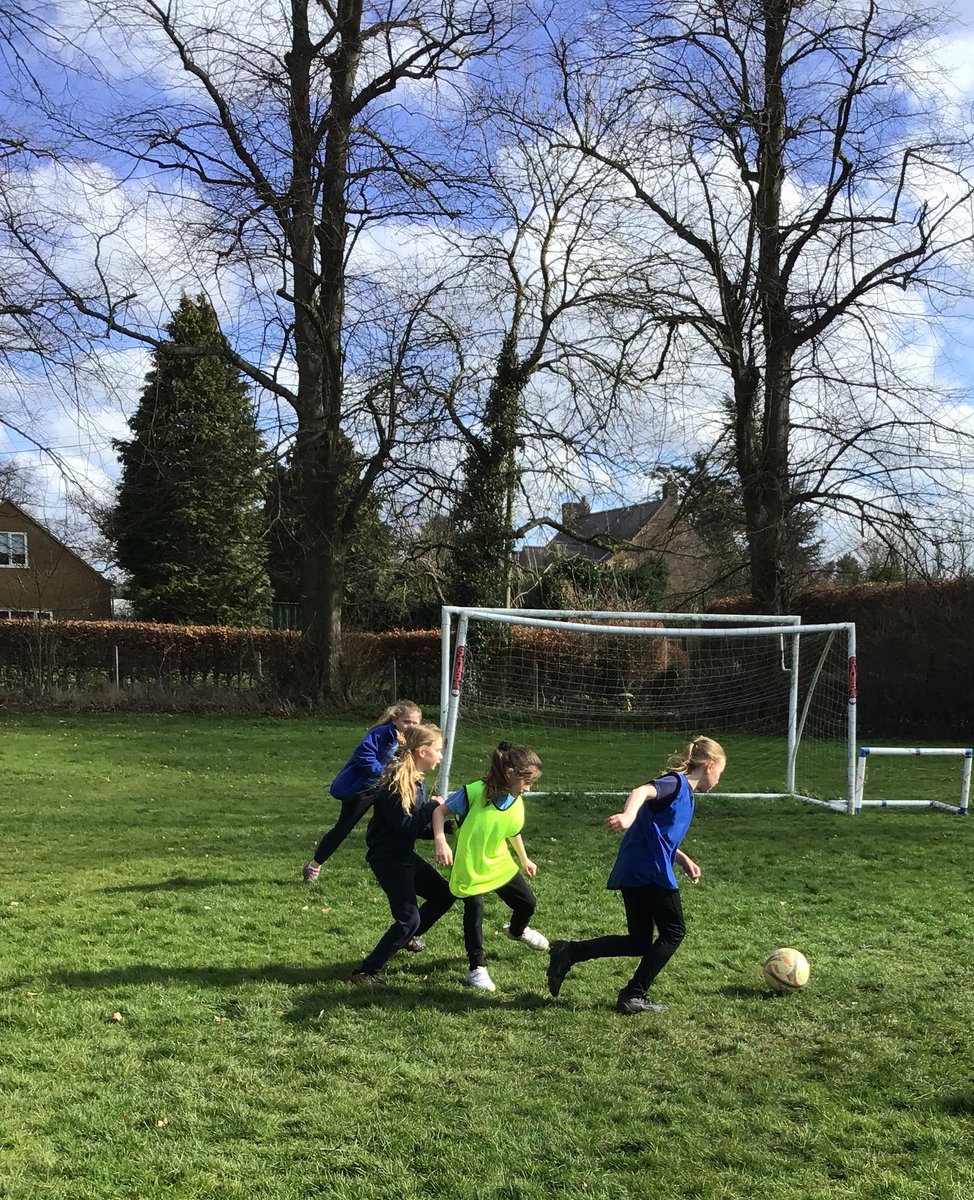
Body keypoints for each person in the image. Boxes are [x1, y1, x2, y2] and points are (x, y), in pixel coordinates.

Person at [546, 736, 726, 1016]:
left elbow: (659, 835)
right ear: (710, 765)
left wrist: (682, 858)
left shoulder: (687, 795)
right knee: (674, 932)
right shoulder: (675, 783)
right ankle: (633, 994)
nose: (719, 780)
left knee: (639, 942)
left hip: (639, 867)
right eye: (721, 773)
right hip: (647, 870)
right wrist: (628, 816)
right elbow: (640, 792)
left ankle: (568, 952)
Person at [432, 741, 549, 993]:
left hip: (498, 862)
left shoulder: (515, 797)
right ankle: (477, 968)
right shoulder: (473, 792)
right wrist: (441, 842)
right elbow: (440, 812)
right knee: (475, 909)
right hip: (470, 864)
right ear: (510, 774)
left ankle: (517, 931)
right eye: (527, 782)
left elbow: (512, 831)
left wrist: (524, 858)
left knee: (527, 903)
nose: (529, 788)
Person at [348, 723, 456, 986]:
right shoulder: (396, 783)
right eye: (438, 751)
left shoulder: (416, 781)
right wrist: (432, 806)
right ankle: (365, 973)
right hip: (388, 860)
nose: (441, 756)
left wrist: (445, 828)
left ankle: (407, 937)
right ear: (421, 751)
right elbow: (404, 825)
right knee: (408, 919)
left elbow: (411, 828)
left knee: (443, 894)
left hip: (402, 855)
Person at [303, 700, 422, 884]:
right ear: (395, 720)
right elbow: (363, 754)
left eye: (415, 723)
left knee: (392, 826)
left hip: (388, 790)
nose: (410, 726)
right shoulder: (380, 733)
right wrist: (382, 771)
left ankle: (391, 869)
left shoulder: (413, 740)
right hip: (365, 789)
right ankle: (314, 864)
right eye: (407, 722)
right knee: (344, 827)